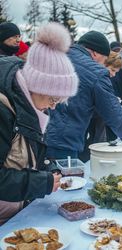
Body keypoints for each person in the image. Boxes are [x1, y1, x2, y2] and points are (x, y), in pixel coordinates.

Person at [0, 23, 79, 225]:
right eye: (53, 99)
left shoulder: (30, 104)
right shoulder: (4, 110)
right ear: (37, 86)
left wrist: (49, 168)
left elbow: (27, 153)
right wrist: (40, 182)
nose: (53, 107)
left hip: (12, 212)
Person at [46, 31, 122, 160]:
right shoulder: (96, 72)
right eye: (104, 59)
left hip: (37, 135)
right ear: (95, 53)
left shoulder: (54, 57)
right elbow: (113, 112)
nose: (102, 63)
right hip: (64, 141)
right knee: (65, 179)